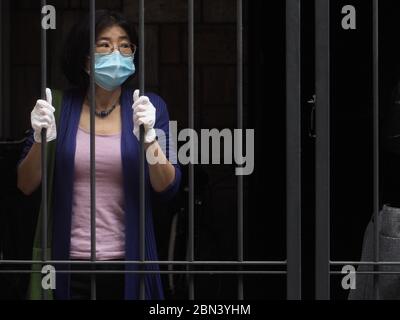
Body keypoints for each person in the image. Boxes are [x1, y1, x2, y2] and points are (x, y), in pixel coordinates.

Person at [16, 10, 181, 300]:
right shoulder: (58, 106)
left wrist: (150, 140)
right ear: (85, 59)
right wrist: (42, 139)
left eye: (125, 45)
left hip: (130, 266)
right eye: (104, 44)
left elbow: (167, 187)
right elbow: (25, 184)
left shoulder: (148, 106)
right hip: (67, 265)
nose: (116, 52)